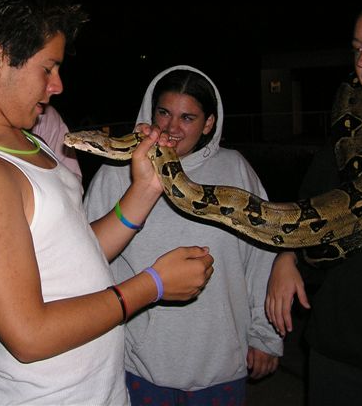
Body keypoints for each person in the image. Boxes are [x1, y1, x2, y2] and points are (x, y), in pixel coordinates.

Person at [0, 0, 215, 405]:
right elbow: (29, 335)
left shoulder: (26, 143)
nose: (58, 85)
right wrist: (152, 286)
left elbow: (72, 254)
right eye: (48, 68)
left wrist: (144, 190)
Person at [85, 65, 282, 405]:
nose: (171, 128)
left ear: (208, 123)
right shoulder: (115, 174)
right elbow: (87, 260)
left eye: (187, 118)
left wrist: (265, 335)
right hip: (139, 363)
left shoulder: (236, 170)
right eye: (163, 113)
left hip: (220, 364)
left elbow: (261, 258)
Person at [265, 0, 362, 405]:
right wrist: (286, 256)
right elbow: (307, 206)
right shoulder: (349, 131)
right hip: (341, 349)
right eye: (357, 49)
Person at [0, 102, 83, 397]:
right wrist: (146, 288)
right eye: (46, 75)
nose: (56, 86)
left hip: (53, 281)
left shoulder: (46, 125)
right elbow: (29, 338)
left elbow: (71, 197)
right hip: (8, 289)